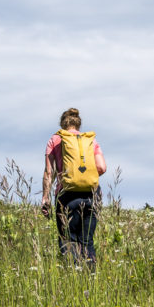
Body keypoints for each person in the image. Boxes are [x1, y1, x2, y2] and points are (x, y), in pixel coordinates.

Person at [41, 107, 107, 266]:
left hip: (66, 195)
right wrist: (84, 177)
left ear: (63, 124)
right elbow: (102, 168)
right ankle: (90, 280)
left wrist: (45, 198)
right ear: (78, 124)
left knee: (68, 241)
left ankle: (72, 277)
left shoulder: (55, 140)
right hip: (91, 195)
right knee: (87, 241)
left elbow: (49, 172)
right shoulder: (90, 140)